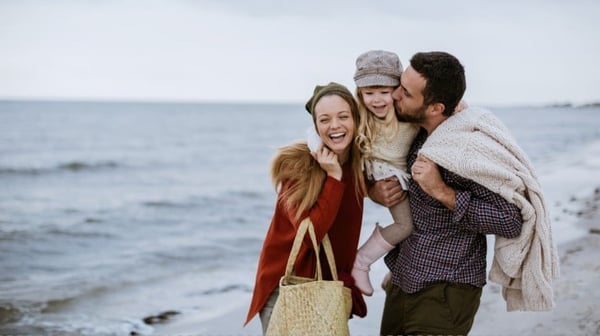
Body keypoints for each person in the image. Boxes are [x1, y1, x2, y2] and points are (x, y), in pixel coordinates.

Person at [370, 51, 559, 335]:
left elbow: (510, 220)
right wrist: (375, 191)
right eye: (400, 85)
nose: (394, 95)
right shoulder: (416, 131)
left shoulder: (464, 152)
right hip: (405, 278)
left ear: (435, 107)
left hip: (446, 290)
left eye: (405, 93)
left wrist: (442, 191)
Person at [244, 82, 368, 334]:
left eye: (343, 117)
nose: (335, 126)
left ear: (355, 119)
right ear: (315, 126)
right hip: (287, 288)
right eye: (325, 119)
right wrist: (332, 178)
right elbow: (311, 234)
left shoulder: (359, 163)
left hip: (328, 287)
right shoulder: (298, 166)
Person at [351, 50, 419, 297]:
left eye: (384, 92)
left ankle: (397, 268)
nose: (377, 100)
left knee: (423, 223)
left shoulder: (408, 114)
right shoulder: (360, 117)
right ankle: (361, 262)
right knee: (405, 226)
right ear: (360, 94)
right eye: (369, 93)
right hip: (385, 175)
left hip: (409, 176)